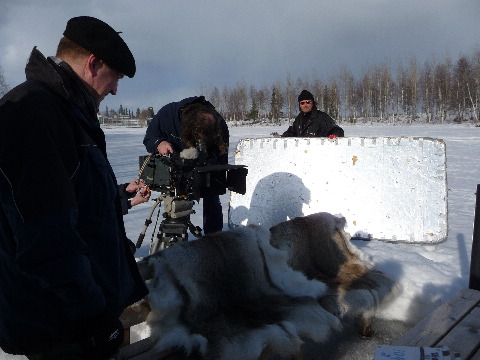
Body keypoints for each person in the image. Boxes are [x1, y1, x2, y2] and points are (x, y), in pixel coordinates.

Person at [0, 16, 148, 359]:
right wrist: (91, 318)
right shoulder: (35, 115)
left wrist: (117, 195)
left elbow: (75, 199)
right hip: (60, 326)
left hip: (74, 320)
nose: (115, 90)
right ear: (94, 64)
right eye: (116, 79)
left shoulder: (65, 111)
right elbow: (47, 239)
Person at [143, 96, 229, 234]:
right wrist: (159, 143)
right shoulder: (168, 114)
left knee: (212, 198)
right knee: (176, 207)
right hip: (174, 169)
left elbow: (221, 158)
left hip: (204, 168)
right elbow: (149, 138)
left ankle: (213, 238)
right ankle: (175, 238)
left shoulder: (219, 124)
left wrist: (213, 174)